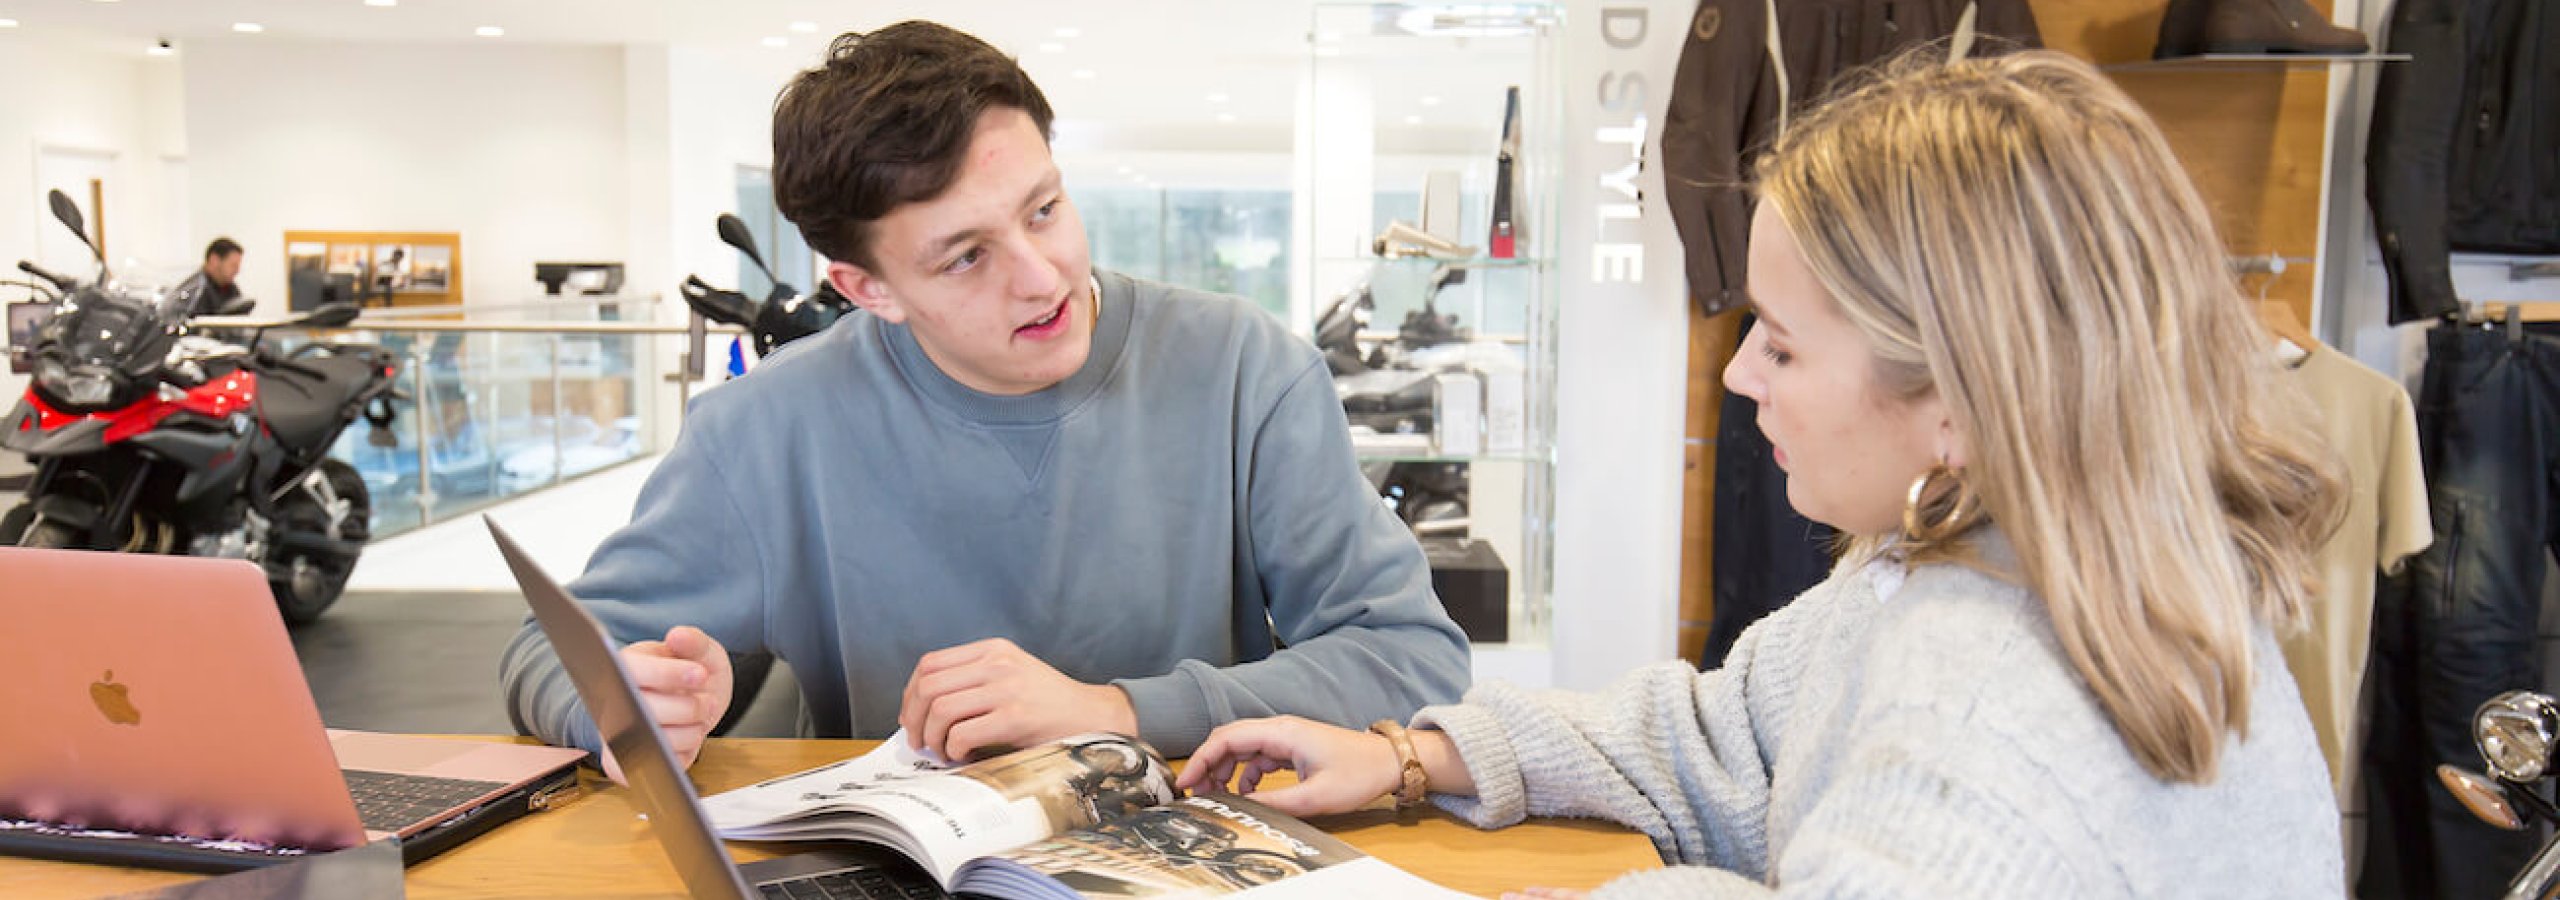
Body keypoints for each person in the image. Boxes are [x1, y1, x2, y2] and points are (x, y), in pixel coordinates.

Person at [1180, 48, 2349, 898]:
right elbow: (1721, 734)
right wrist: (1406, 754)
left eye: (1781, 342)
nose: (1740, 377)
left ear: (1956, 403)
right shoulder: (1962, 571)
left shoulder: (1985, 712)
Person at [500, 21, 1470, 780]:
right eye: (968, 256)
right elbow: (552, 650)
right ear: (864, 288)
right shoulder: (767, 429)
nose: (1042, 278)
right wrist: (624, 700)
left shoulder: (1245, 368)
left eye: (1045, 209)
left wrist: (1116, 713)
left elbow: (1410, 657)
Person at [173, 237, 244, 319]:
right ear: (214, 260)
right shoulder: (194, 293)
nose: (237, 271)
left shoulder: (230, 289)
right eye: (233, 265)